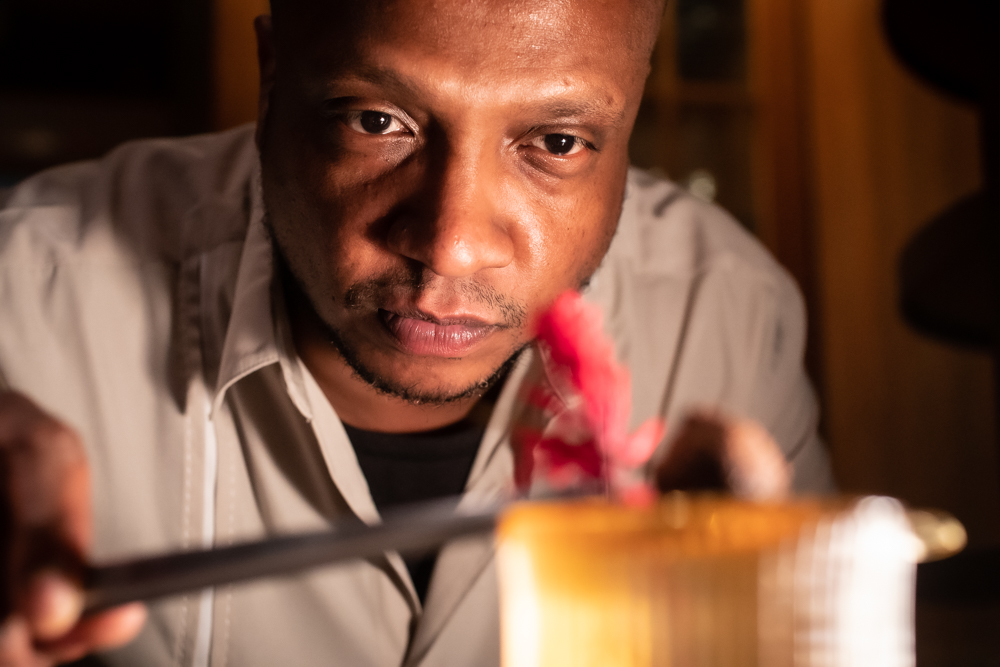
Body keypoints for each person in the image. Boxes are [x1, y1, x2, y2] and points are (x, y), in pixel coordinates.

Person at [0, 0, 834, 664]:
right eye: (375, 121)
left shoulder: (723, 318)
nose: (451, 244)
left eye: (556, 142)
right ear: (271, 78)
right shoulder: (30, 301)